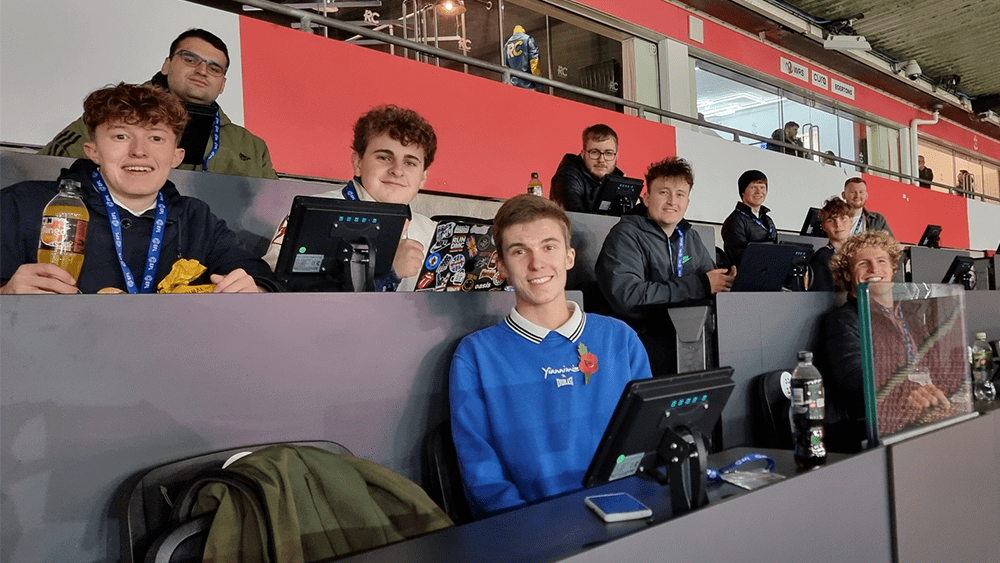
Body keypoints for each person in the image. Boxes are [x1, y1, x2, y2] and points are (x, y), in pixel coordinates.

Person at [449, 195, 652, 517]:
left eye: (548, 246)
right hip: (534, 535)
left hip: (627, 515)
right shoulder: (475, 357)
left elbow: (646, 442)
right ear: (501, 266)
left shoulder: (620, 339)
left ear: (569, 256)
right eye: (519, 251)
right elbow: (482, 475)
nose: (536, 263)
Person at [2, 83, 279, 294]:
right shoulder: (25, 204)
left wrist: (255, 289)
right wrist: (5, 292)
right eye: (121, 136)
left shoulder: (196, 218)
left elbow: (259, 275)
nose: (139, 151)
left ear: (176, 157)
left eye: (156, 138)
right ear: (93, 150)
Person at [39, 29, 278, 179]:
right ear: (167, 65)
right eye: (190, 59)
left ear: (223, 84)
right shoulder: (112, 113)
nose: (202, 70)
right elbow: (43, 172)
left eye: (214, 68)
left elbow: (276, 213)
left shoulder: (252, 146)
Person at [263, 104, 436, 291]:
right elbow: (279, 292)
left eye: (410, 163)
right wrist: (387, 272)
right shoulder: (310, 215)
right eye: (384, 158)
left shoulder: (434, 233)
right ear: (358, 162)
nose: (397, 171)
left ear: (423, 177)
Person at [818, 231, 965, 451]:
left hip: (916, 416)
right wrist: (909, 391)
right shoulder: (842, 320)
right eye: (863, 264)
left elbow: (933, 365)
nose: (874, 270)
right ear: (848, 274)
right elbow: (853, 377)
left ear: (892, 268)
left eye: (881, 262)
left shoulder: (910, 316)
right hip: (871, 428)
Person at [595, 157, 736, 374]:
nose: (672, 201)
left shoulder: (690, 237)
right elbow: (629, 297)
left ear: (687, 202)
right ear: (646, 197)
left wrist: (727, 284)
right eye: (664, 192)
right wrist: (700, 285)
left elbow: (709, 283)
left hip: (686, 334)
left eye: (680, 194)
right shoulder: (625, 235)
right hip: (642, 340)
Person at [549, 124, 624, 213]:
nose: (601, 160)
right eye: (595, 152)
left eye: (609, 153)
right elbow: (576, 219)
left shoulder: (619, 179)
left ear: (617, 156)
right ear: (583, 154)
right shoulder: (567, 176)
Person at [721, 169, 777, 268]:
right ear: (743, 191)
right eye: (753, 187)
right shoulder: (735, 221)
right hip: (744, 277)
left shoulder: (768, 220)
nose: (759, 192)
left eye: (762, 187)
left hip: (768, 273)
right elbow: (740, 255)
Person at [809, 196, 852, 292]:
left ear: (851, 221)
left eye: (843, 218)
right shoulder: (822, 258)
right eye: (831, 220)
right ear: (824, 226)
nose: (838, 224)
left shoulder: (858, 254)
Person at [504, 25, 544, 92]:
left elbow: (506, 67)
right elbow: (534, 64)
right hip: (528, 85)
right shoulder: (528, 39)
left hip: (513, 85)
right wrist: (540, 87)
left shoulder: (507, 44)